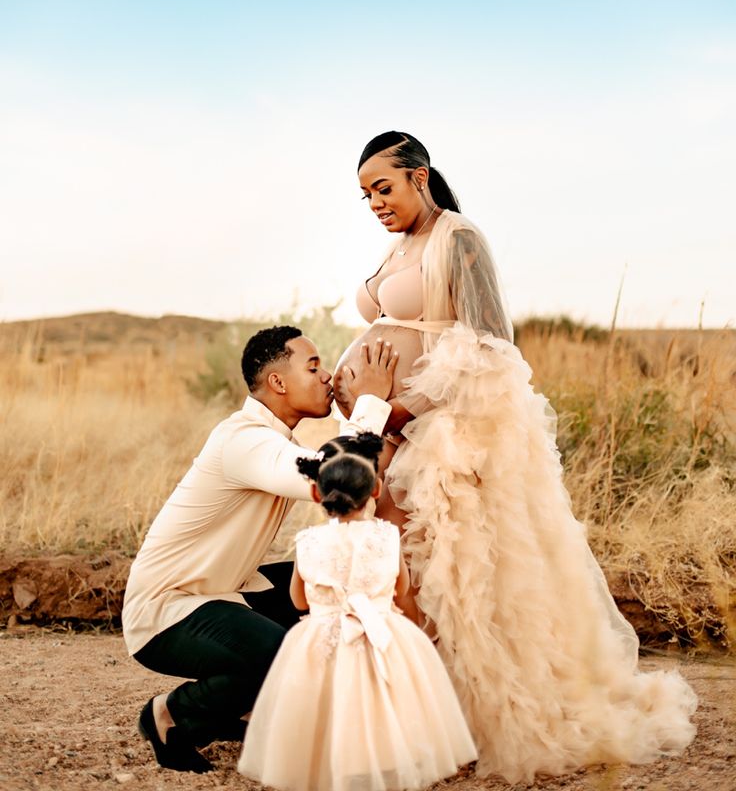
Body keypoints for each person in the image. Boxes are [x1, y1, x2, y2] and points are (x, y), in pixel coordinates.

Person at [333, 131, 697, 785]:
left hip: (438, 432)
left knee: (456, 572)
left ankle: (473, 718)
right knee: (400, 572)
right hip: (385, 434)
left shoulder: (459, 237)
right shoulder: (401, 245)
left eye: (383, 188)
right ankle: (414, 710)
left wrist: (401, 410)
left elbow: (491, 343)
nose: (374, 203)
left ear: (420, 176)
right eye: (364, 195)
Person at [122, 325, 397, 773]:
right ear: (278, 382)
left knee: (329, 582)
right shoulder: (243, 440)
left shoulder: (276, 442)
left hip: (224, 591)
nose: (327, 376)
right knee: (285, 654)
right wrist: (371, 401)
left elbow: (349, 485)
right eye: (313, 367)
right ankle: (174, 715)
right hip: (169, 608)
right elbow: (337, 475)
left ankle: (248, 703)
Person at [238, 432, 477, 791]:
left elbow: (299, 602)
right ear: (376, 490)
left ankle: (335, 767)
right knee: (384, 703)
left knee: (329, 706)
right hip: (382, 632)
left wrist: (329, 605)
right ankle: (384, 763)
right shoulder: (387, 538)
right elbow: (403, 593)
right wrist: (412, 632)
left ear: (317, 494)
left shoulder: (307, 543)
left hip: (324, 638)